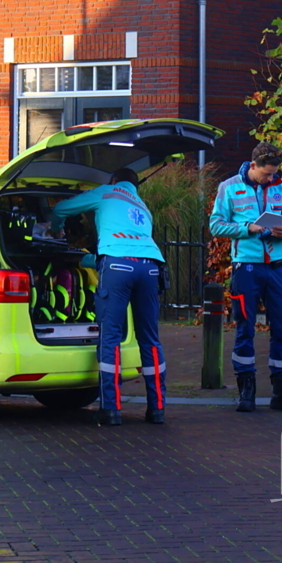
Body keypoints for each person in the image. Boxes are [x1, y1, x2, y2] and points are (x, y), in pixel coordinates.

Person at [46, 167, 166, 426]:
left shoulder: (107, 192)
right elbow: (130, 247)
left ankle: (111, 409)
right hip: (151, 267)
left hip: (118, 266)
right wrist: (89, 258)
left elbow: (61, 210)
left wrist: (56, 231)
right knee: (150, 339)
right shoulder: (143, 207)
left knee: (110, 336)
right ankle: (157, 409)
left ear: (114, 180)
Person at [209, 141, 282, 413]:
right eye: (266, 174)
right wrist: (249, 227)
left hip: (277, 266)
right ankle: (247, 391)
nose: (271, 178)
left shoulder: (281, 185)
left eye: (274, 174)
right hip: (247, 267)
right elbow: (216, 225)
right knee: (245, 328)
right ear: (253, 166)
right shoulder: (228, 187)